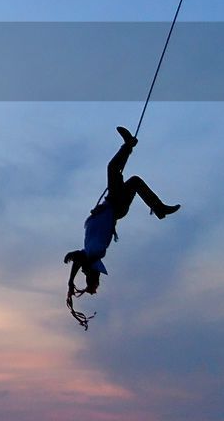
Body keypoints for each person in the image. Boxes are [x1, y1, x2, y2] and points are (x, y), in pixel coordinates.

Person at [65, 126, 180, 329]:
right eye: (86, 272)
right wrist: (71, 280)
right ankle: (129, 146)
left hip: (113, 204)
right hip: (115, 205)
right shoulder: (96, 251)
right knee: (114, 170)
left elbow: (79, 257)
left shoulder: (89, 251)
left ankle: (158, 207)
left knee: (130, 179)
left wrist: (72, 277)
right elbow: (81, 259)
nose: (83, 270)